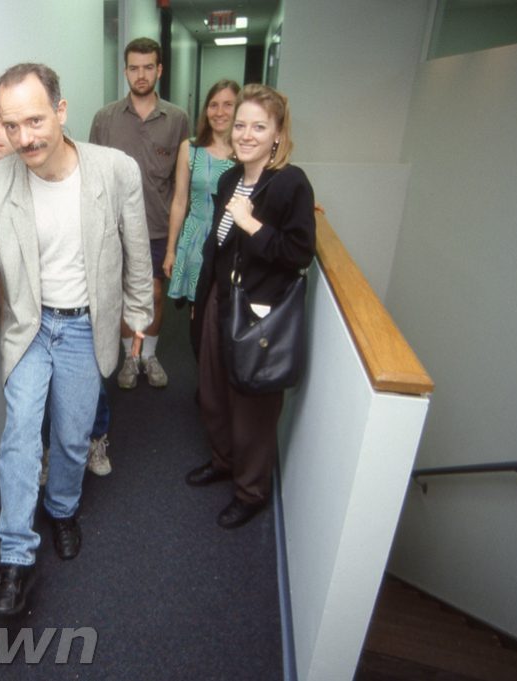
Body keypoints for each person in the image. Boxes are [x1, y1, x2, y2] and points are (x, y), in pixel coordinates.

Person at [0, 64, 153, 616]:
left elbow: (135, 250)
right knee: (21, 437)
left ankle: (61, 508)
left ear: (60, 110)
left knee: (75, 436)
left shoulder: (115, 170)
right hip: (30, 328)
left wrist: (139, 317)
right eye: (11, 126)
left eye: (34, 119)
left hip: (85, 326)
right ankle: (15, 558)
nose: (24, 137)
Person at [186, 84, 316, 529]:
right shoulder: (229, 179)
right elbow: (217, 249)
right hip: (221, 300)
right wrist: (201, 302)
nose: (245, 134)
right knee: (214, 392)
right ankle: (223, 460)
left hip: (258, 314)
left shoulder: (290, 183)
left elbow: (298, 253)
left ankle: (251, 490)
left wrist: (251, 225)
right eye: (240, 125)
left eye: (258, 127)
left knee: (253, 410)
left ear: (277, 134)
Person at [0, 87, 113, 480]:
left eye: (2, 125)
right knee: (30, 400)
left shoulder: (62, 175)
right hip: (26, 314)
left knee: (86, 391)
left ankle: (94, 436)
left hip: (77, 313)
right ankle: (44, 454)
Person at [90, 37, 190, 390]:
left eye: (148, 67)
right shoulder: (105, 119)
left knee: (153, 295)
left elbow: (182, 186)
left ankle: (148, 353)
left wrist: (177, 242)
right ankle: (129, 358)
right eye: (134, 67)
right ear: (125, 71)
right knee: (119, 296)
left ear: (159, 70)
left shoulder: (177, 119)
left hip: (158, 227)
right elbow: (92, 179)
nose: (141, 74)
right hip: (114, 229)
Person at [164, 80, 240, 306]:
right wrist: (170, 250)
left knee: (225, 308)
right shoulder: (191, 148)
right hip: (196, 238)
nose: (219, 112)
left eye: (228, 105)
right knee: (197, 311)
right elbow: (179, 201)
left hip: (232, 242)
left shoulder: (247, 150)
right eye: (213, 105)